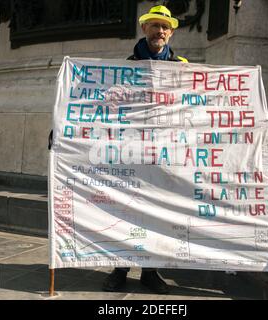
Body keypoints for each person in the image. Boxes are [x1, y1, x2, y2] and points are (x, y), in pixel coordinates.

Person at [102, 5, 188, 294]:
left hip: (164, 155)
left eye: (165, 27)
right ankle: (120, 267)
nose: (160, 31)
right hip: (131, 152)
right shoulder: (125, 67)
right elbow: (106, 107)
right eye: (154, 26)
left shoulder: (183, 67)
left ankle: (150, 271)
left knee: (155, 212)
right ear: (144, 29)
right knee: (126, 211)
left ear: (171, 32)